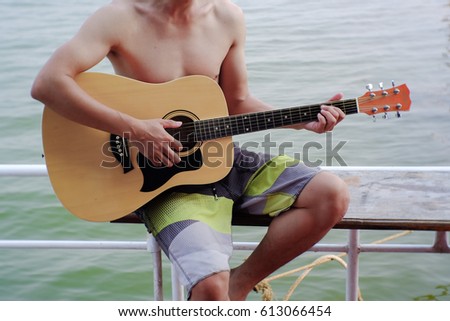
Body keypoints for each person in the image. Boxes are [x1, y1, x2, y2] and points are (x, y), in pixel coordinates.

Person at [31, 0, 349, 300]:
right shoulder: (120, 17)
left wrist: (303, 122)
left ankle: (239, 285)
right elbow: (48, 83)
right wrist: (135, 129)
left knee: (330, 194)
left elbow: (235, 102)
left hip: (221, 157)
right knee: (210, 287)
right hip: (157, 178)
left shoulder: (227, 17)